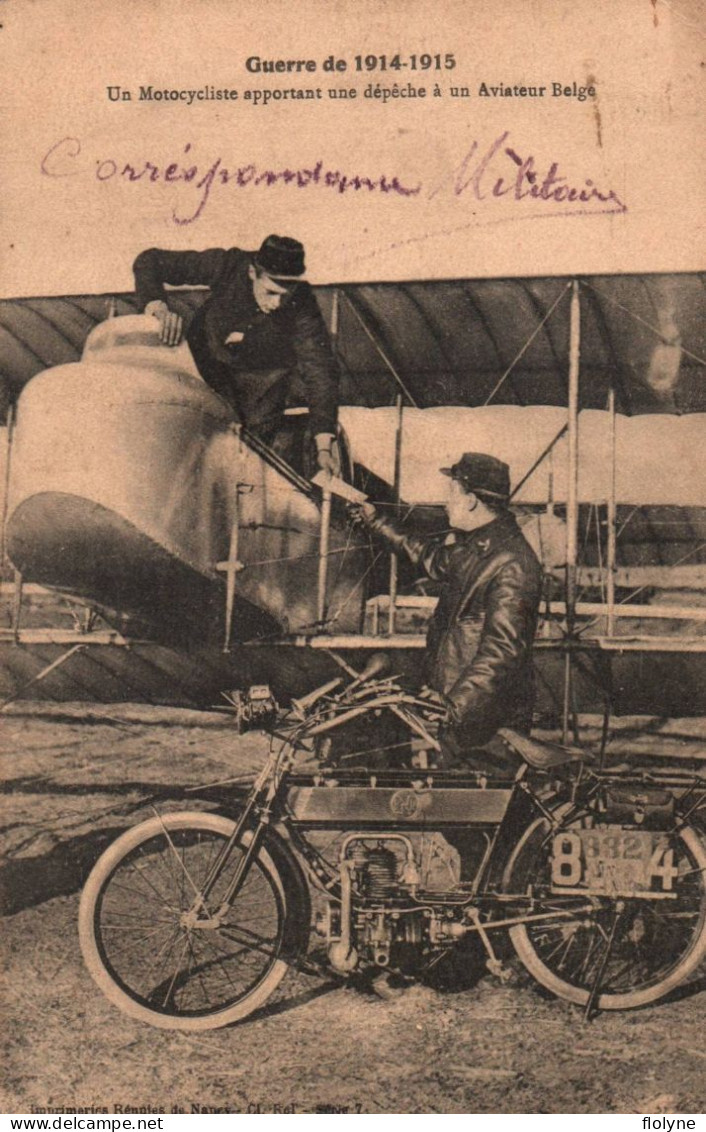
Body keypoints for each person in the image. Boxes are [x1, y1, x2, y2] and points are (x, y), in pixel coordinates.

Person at [351, 452, 543, 774]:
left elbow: (503, 651)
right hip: (462, 716)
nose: (445, 503)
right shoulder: (479, 547)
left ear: (470, 501)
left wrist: (454, 705)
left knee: (476, 814)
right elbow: (429, 556)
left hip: (486, 726)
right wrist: (375, 522)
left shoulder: (513, 564)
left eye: (451, 492)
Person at [133, 234, 339, 473]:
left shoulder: (303, 304)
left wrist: (324, 447)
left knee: (247, 465)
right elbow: (149, 261)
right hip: (207, 364)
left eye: (286, 295)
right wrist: (157, 306)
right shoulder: (229, 265)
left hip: (262, 383)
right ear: (252, 273)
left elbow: (321, 370)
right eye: (271, 292)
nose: (278, 304)